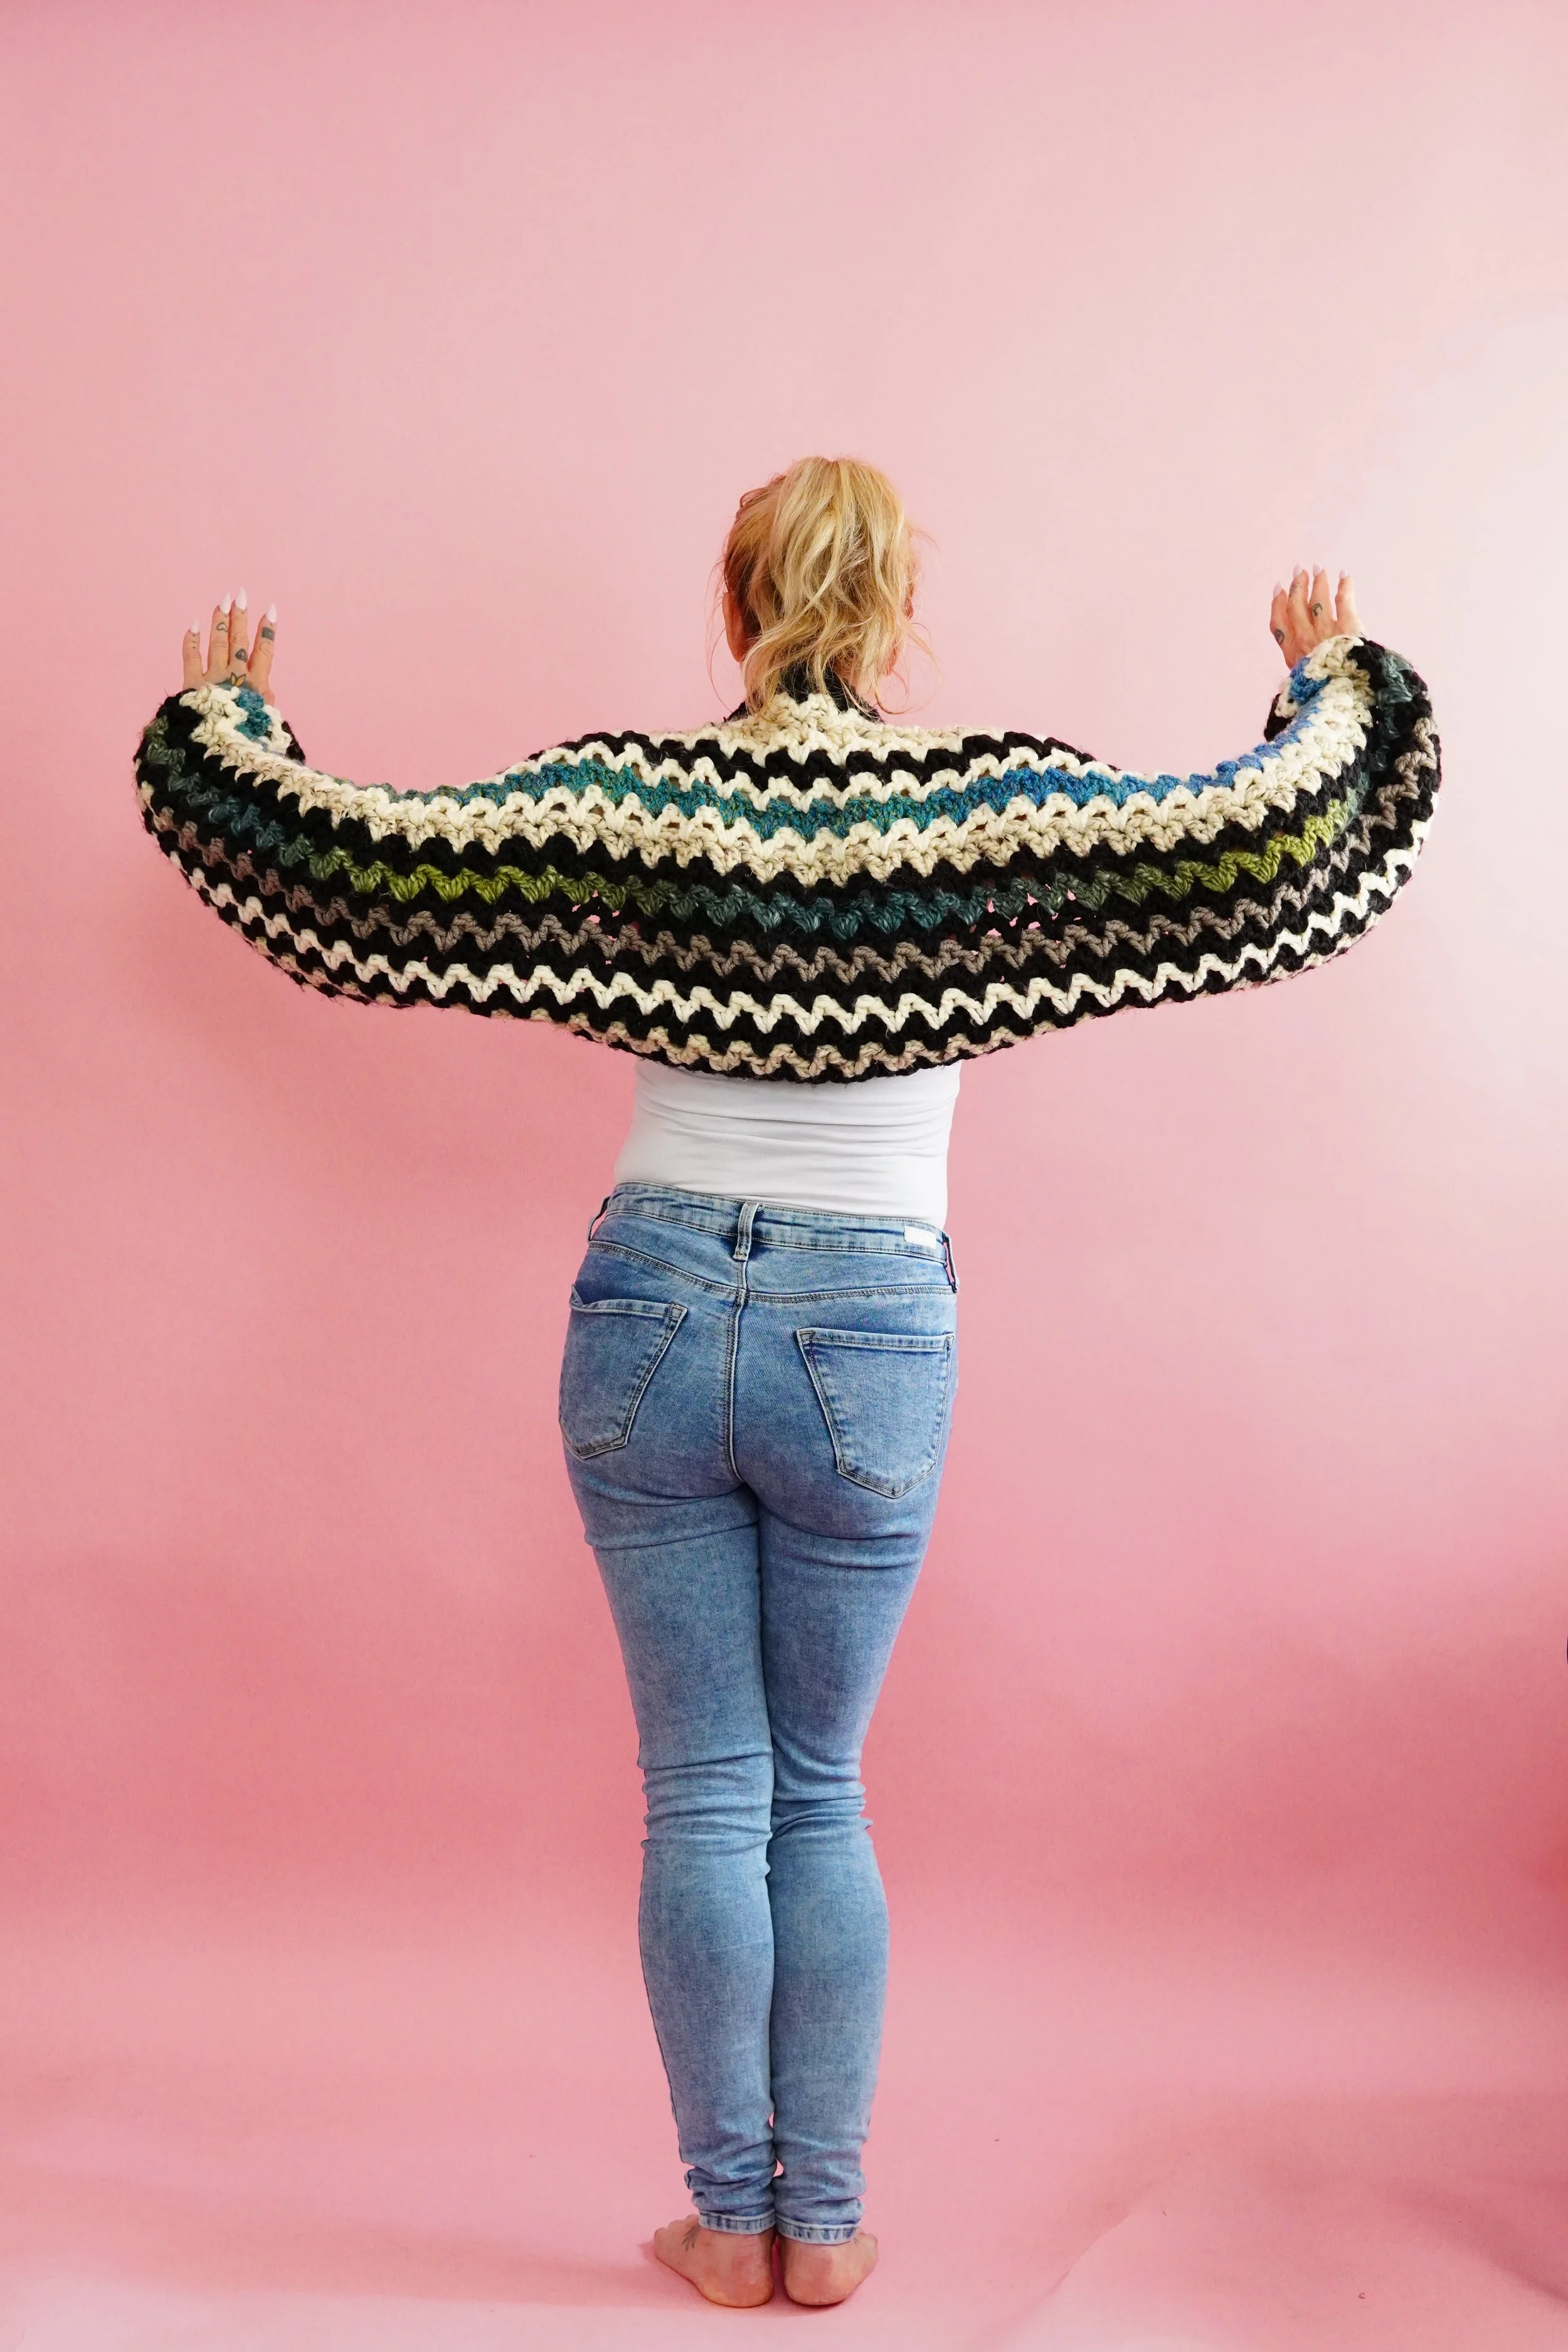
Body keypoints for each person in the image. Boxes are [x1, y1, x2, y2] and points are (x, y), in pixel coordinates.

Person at [136, 457, 1438, 2308]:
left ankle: (720, 2216)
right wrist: (1334, 681)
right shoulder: (990, 811)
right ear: (897, 608)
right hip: (868, 1329)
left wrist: (229, 721)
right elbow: (1264, 848)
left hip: (648, 1311)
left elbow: (354, 873)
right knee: (816, 1788)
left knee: (701, 1795)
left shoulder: (630, 803)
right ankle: (817, 2220)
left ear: (734, 609)